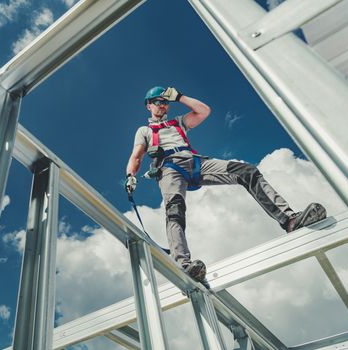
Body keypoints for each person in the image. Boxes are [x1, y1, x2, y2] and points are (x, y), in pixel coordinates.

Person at [125, 86, 327, 282]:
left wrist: (179, 97)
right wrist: (130, 176)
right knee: (174, 209)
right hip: (170, 168)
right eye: (156, 102)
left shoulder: (179, 123)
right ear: (148, 106)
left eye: (164, 102)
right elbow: (137, 156)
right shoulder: (145, 130)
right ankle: (183, 263)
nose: (161, 105)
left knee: (246, 171)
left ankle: (290, 220)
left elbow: (203, 111)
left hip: (195, 162)